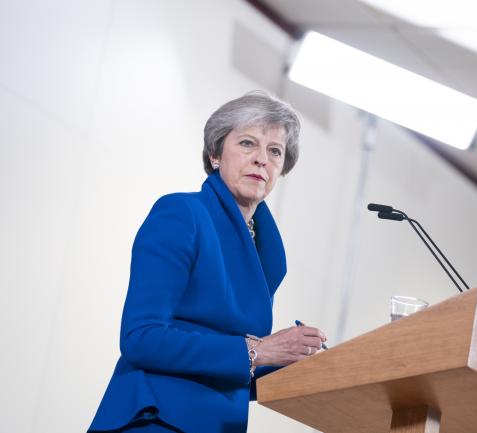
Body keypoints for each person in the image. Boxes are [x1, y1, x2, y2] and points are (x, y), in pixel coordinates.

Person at [88, 91, 327, 433]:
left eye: (275, 151)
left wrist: (299, 361)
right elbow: (141, 338)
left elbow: (232, 361)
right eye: (247, 144)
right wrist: (259, 352)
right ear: (215, 154)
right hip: (156, 418)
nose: (262, 159)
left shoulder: (267, 252)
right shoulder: (182, 214)